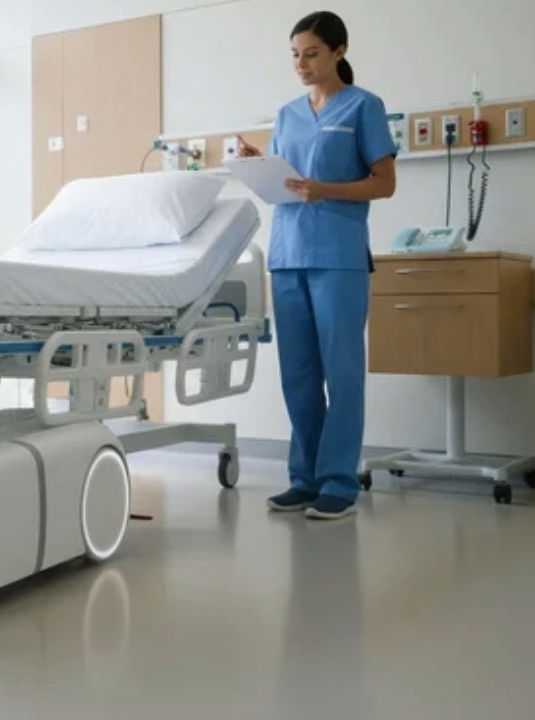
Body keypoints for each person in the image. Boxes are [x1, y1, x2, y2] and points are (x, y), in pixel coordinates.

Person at [235, 10, 396, 520]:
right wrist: (258, 162)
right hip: (287, 254)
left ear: (338, 52)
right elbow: (288, 181)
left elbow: (384, 183)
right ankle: (303, 478)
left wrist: (325, 190)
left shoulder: (364, 107)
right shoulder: (287, 114)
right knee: (299, 374)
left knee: (342, 372)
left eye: (312, 53)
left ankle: (339, 482)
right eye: (295, 55)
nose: (302, 64)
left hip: (339, 257)